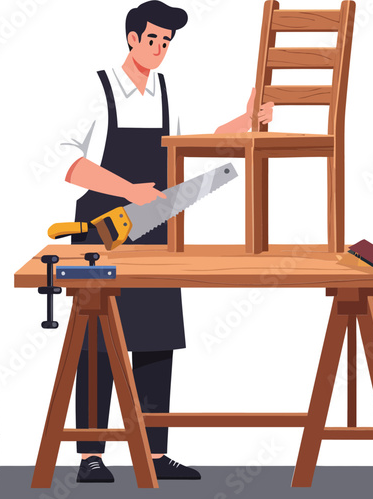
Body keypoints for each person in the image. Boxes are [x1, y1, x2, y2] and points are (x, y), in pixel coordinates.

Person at [64, 0, 274, 483]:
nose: (159, 48)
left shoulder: (165, 92)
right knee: (96, 341)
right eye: (152, 38)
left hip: (158, 230)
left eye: (166, 42)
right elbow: (72, 166)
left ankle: (154, 453)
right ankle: (90, 455)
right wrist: (127, 190)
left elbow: (194, 148)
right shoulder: (96, 89)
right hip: (102, 228)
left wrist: (245, 121)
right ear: (132, 38)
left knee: (157, 340)